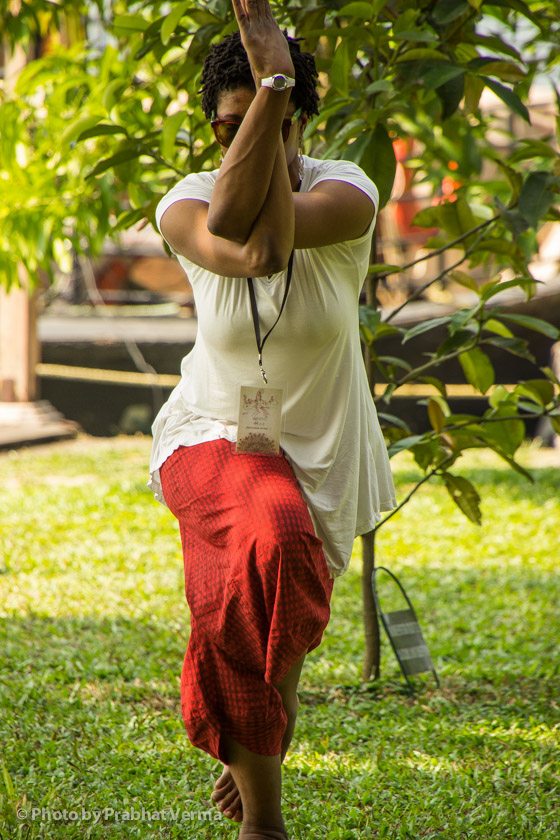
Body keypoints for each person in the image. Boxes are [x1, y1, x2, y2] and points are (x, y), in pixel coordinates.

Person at [148, 2, 396, 838]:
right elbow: (248, 245)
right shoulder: (184, 201)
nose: (238, 141)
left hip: (322, 452)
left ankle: (254, 735)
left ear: (301, 121)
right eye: (226, 128)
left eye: (267, 114)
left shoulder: (349, 189)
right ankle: (267, 821)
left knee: (273, 621)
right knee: (275, 536)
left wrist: (277, 92)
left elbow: (284, 244)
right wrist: (272, 85)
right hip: (210, 435)